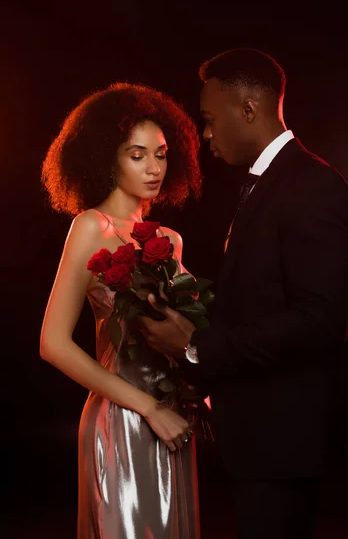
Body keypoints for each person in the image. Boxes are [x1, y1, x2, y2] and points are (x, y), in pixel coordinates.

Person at [139, 48, 348, 539]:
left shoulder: (312, 186)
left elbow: (321, 322)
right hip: (264, 437)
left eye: (210, 118)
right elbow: (259, 301)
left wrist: (197, 345)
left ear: (248, 110)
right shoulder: (268, 185)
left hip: (287, 440)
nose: (206, 134)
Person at [40, 82, 203, 539]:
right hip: (124, 422)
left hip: (175, 422)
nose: (153, 168)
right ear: (107, 157)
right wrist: (150, 408)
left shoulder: (169, 240)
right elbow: (52, 343)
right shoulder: (90, 226)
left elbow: (189, 337)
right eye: (137, 154)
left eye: (162, 154)